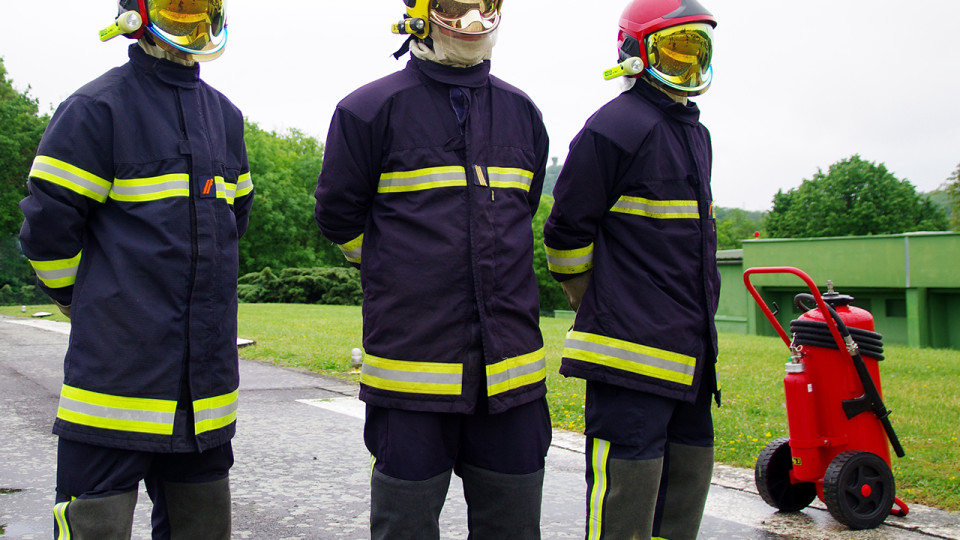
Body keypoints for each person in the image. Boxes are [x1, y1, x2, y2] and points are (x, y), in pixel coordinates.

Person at [314, 1, 551, 538]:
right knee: (405, 527)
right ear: (420, 12)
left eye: (483, 6)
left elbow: (522, 210)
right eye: (455, 7)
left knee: (513, 528)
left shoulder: (523, 113)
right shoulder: (367, 111)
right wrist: (393, 266)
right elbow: (337, 215)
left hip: (511, 380)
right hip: (410, 376)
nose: (472, 22)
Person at [18, 0, 252, 537]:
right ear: (137, 13)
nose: (190, 18)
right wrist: (84, 304)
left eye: (200, 6)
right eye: (177, 5)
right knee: (94, 525)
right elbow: (47, 232)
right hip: (112, 391)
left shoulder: (226, 118)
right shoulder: (95, 109)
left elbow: (231, 226)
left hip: (205, 400)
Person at [542, 0, 719, 538]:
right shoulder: (615, 125)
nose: (688, 62)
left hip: (690, 359)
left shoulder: (695, 132)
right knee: (627, 499)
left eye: (697, 48)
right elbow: (565, 231)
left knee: (686, 488)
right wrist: (591, 298)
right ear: (636, 52)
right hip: (628, 361)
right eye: (676, 48)